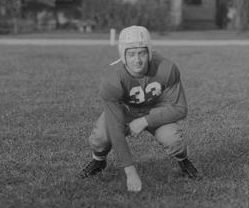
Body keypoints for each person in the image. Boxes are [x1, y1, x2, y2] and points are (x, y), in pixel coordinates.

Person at [81, 25, 201, 192]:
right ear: (123, 54)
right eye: (131, 54)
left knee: (174, 140)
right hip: (125, 111)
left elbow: (180, 108)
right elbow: (116, 129)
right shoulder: (112, 78)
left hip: (156, 109)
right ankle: (99, 160)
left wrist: (145, 121)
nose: (136, 60)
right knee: (100, 137)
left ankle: (183, 160)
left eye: (141, 53)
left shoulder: (166, 68)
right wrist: (130, 172)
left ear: (149, 52)